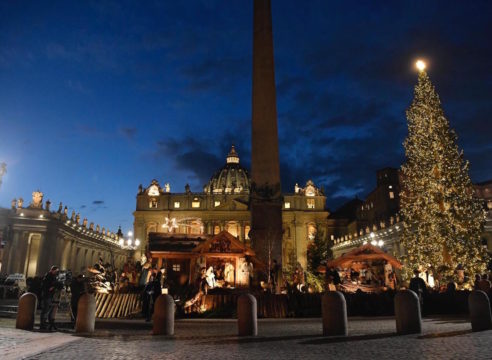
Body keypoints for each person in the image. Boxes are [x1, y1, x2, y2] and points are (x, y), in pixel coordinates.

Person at [40, 266, 61, 330]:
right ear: (52, 270)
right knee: (46, 310)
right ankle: (43, 324)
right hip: (47, 295)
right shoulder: (48, 276)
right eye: (56, 271)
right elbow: (46, 286)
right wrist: (52, 287)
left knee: (50, 310)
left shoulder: (52, 276)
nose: (57, 272)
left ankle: (48, 324)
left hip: (50, 295)